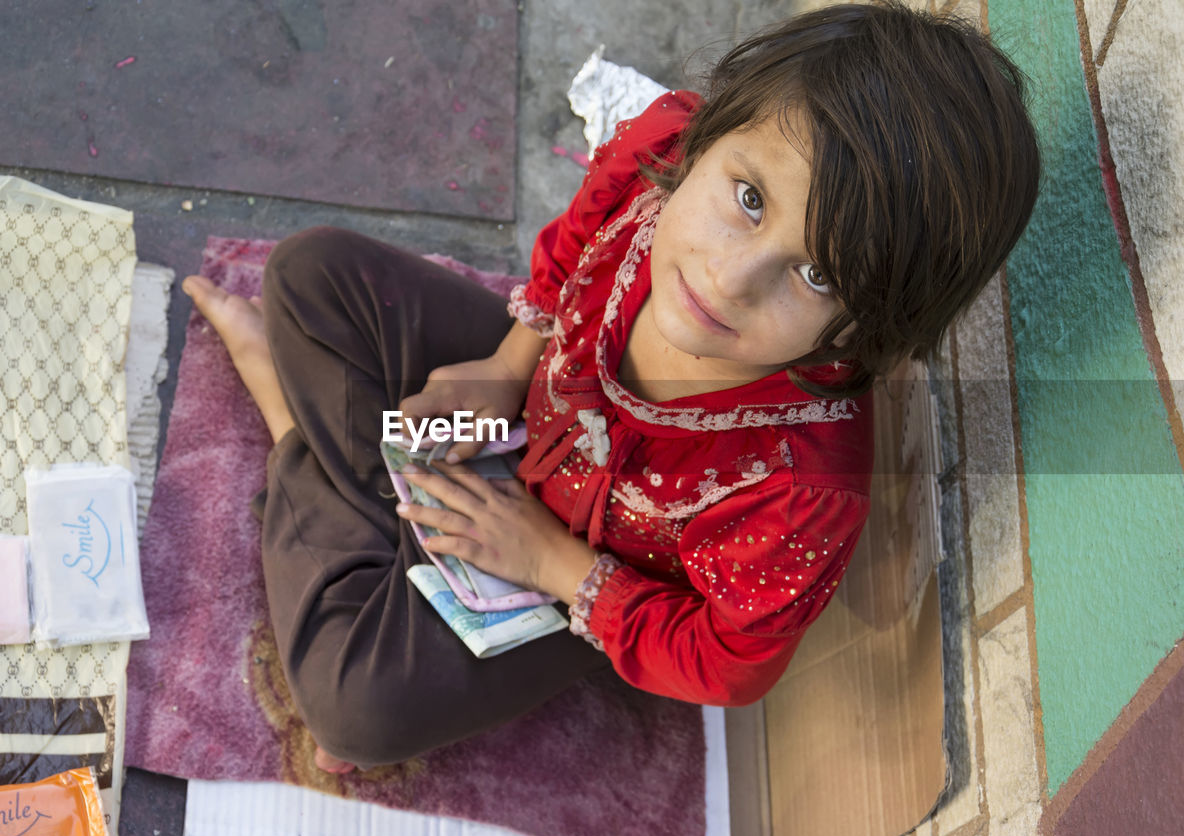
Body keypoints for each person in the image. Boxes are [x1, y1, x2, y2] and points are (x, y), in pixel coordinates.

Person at [182, 1, 1039, 774]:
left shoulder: (800, 489)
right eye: (747, 197)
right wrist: (508, 366)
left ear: (868, 329)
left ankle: (292, 428)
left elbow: (727, 662)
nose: (731, 277)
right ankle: (373, 530)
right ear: (709, 139)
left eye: (815, 273)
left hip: (584, 573)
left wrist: (552, 562)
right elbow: (574, 241)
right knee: (311, 275)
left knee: (356, 710)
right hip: (532, 397)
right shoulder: (662, 143)